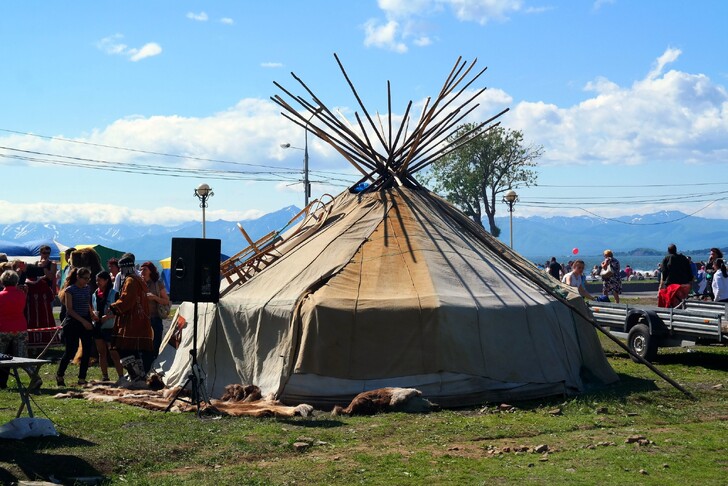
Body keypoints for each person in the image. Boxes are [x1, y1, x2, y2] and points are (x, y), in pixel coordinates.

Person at [110, 253, 153, 384]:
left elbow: (127, 300)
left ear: (124, 268)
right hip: (139, 319)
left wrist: (113, 307)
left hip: (132, 320)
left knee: (123, 347)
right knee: (133, 349)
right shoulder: (138, 279)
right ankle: (139, 375)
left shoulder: (130, 280)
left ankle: (136, 376)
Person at [0, 270, 41, 391]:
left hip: (3, 329)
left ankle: (2, 382)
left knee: (1, 357)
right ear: (16, 281)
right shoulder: (21, 294)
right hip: (20, 328)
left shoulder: (1, 296)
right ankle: (35, 377)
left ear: (2, 282)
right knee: (23, 357)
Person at [56, 267, 95, 387]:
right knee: (70, 351)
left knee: (87, 350)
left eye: (89, 278)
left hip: (86, 320)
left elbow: (87, 303)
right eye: (85, 278)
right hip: (73, 322)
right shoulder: (70, 290)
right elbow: (70, 310)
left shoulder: (87, 288)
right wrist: (83, 321)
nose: (87, 281)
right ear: (78, 277)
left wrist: (92, 314)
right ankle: (60, 375)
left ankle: (82, 378)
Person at [92, 271, 123, 381]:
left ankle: (121, 376)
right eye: (96, 280)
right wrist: (93, 316)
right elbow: (93, 308)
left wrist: (108, 317)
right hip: (97, 326)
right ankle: (105, 376)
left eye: (99, 280)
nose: (97, 282)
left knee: (114, 353)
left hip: (110, 327)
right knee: (101, 353)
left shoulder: (114, 293)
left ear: (106, 280)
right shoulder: (95, 294)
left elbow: (119, 309)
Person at [140, 261, 170, 367]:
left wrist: (154, 298)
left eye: (145, 269)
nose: (142, 271)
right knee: (143, 347)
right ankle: (145, 369)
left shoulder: (158, 283)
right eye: (141, 269)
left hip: (155, 319)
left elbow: (166, 300)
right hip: (142, 319)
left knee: (155, 345)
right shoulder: (139, 283)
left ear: (151, 271)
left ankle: (154, 369)